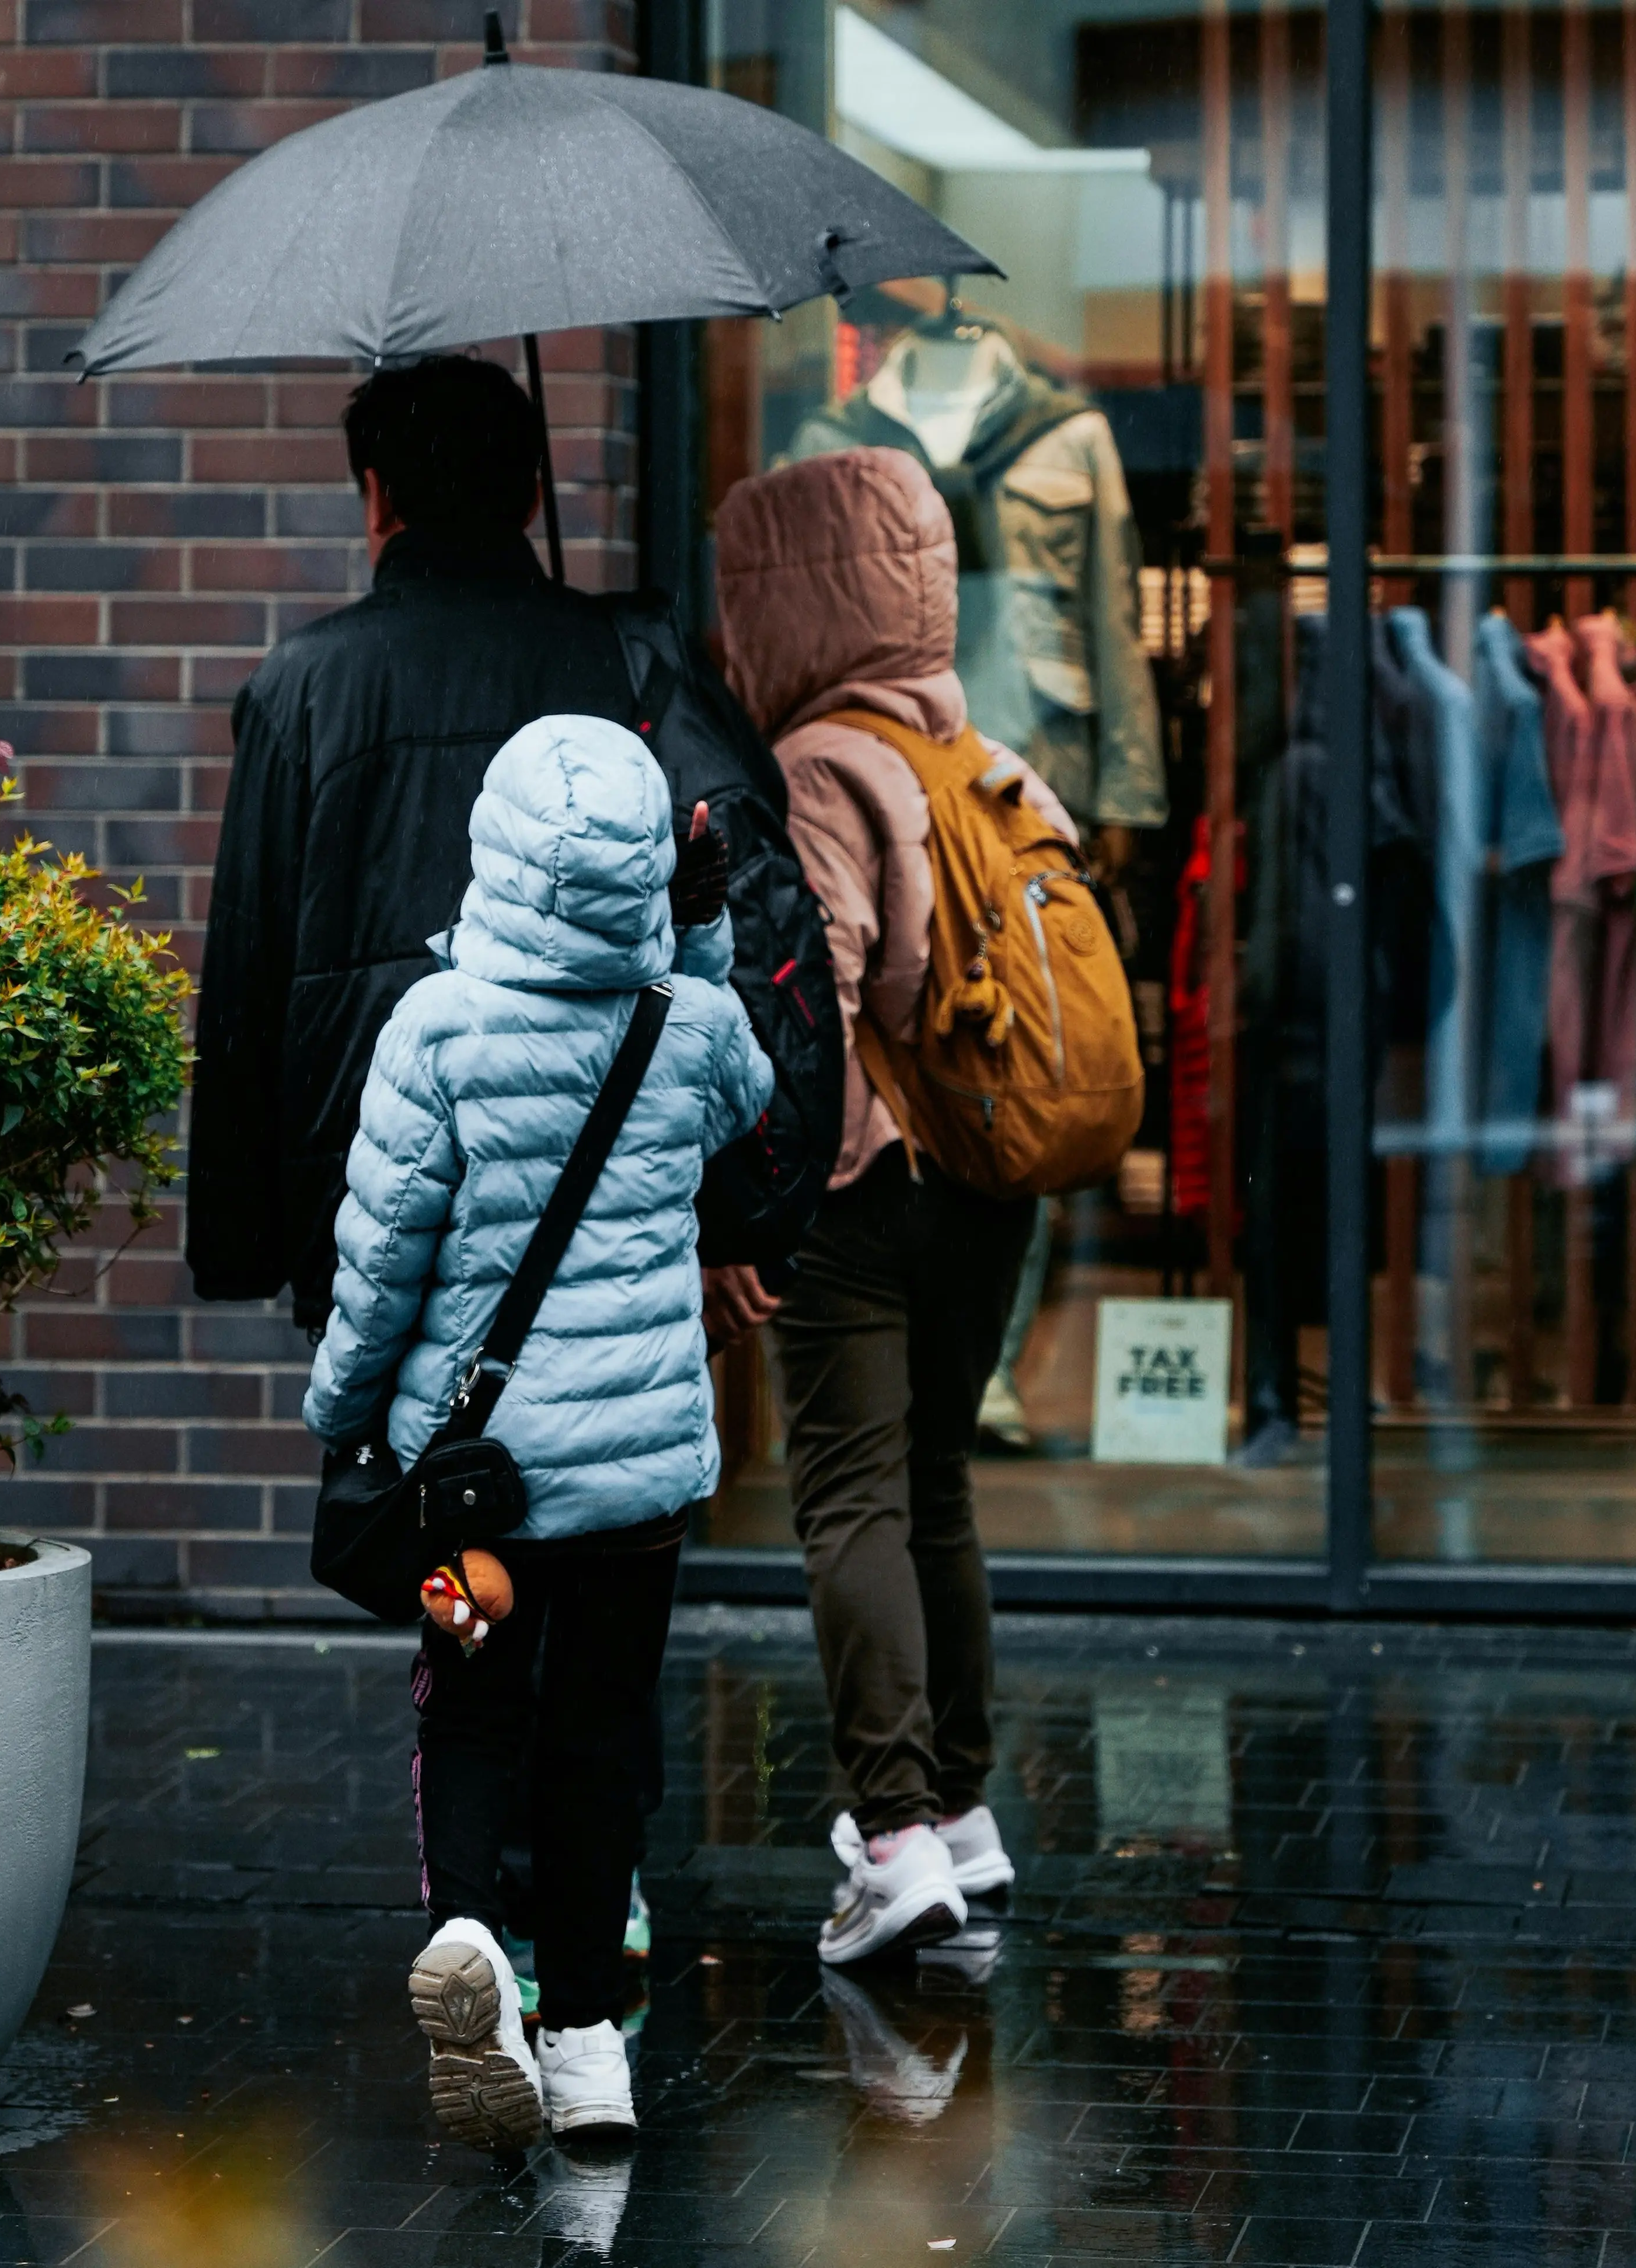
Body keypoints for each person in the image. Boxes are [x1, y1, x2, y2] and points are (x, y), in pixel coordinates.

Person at [302, 713, 773, 2149]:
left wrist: (344, 1415)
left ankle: (470, 1945)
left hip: (479, 1490)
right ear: (647, 867)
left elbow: (382, 1260)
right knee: (601, 1738)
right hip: (633, 1484)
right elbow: (746, 1104)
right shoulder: (689, 1026)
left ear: (494, 853)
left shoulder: (437, 1030)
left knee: (475, 1709)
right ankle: (584, 2050)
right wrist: (693, 934)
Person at [188, 353, 835, 1356]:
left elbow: (247, 979)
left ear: (376, 496)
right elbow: (729, 901)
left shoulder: (302, 686)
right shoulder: (632, 660)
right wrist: (742, 1205)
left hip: (372, 1194)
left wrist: (240, 1246)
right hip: (600, 1184)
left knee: (391, 1484)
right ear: (533, 494)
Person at [713, 447, 1071, 1963]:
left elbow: (822, 996)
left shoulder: (819, 769)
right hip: (991, 1181)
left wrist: (766, 1206)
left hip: (863, 1181)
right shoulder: (982, 758)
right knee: (935, 1484)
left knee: (849, 1495)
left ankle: (899, 1833)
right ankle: (967, 1815)